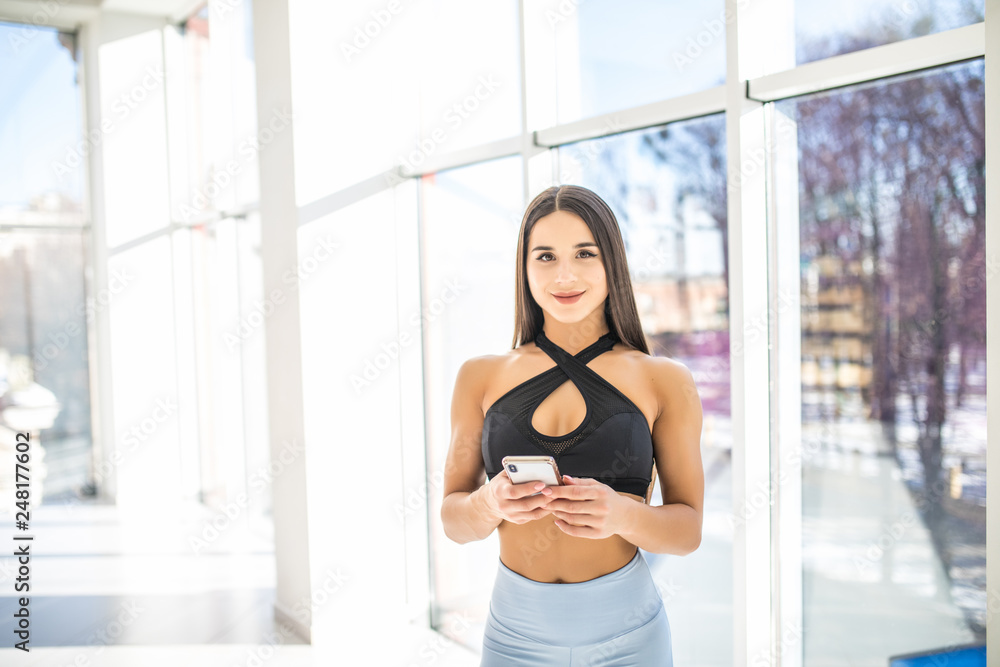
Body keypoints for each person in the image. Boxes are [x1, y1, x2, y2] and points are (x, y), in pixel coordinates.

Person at [440, 184, 704, 666]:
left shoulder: (664, 380)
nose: (564, 274)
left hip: (628, 636)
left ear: (612, 262)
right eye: (545, 256)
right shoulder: (479, 376)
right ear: (524, 268)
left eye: (585, 253)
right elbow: (454, 520)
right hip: (512, 635)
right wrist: (488, 502)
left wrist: (622, 515)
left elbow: (687, 531)